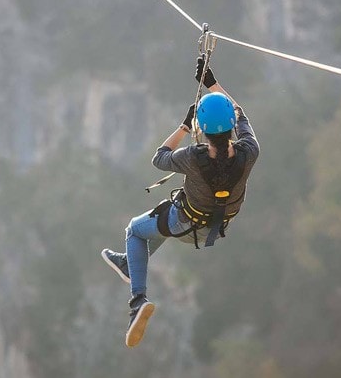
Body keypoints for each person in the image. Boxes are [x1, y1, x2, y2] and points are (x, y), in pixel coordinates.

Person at [101, 57, 260, 348]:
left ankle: (138, 301)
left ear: (203, 128)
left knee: (135, 231)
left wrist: (185, 127)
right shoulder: (249, 152)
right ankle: (128, 264)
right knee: (159, 217)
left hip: (184, 223)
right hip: (218, 224)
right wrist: (212, 84)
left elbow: (159, 157)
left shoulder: (192, 157)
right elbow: (240, 115)